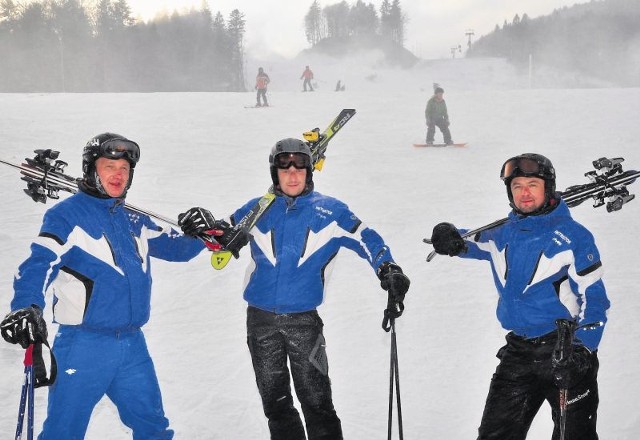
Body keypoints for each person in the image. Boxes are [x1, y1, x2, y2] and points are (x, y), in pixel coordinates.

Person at [178, 138, 410, 440]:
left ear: (308, 172)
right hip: (260, 322)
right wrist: (198, 225)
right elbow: (223, 237)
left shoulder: (330, 211)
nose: (292, 175)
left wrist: (388, 268)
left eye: (299, 168)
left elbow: (368, 239)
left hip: (303, 322)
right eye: (284, 168)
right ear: (275, 173)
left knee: (317, 404)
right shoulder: (257, 209)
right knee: (275, 405)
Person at [0, 133, 208, 439]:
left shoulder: (136, 219)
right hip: (83, 347)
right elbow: (37, 266)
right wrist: (26, 306)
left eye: (124, 168)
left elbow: (179, 249)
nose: (118, 174)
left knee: (154, 429)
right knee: (63, 433)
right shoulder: (66, 216)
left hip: (133, 347)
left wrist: (201, 232)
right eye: (109, 165)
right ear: (91, 169)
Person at [429, 153, 610, 440]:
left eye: (532, 185)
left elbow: (596, 301)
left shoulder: (574, 237)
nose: (524, 193)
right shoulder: (502, 233)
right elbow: (470, 243)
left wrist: (583, 351)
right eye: (517, 187)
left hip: (564, 351)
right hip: (519, 353)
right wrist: (450, 239)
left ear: (547, 188)